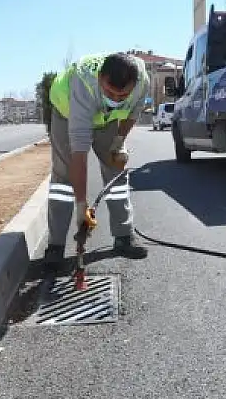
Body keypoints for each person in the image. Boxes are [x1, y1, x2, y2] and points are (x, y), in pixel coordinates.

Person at [45, 52, 151, 269]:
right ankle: (55, 247)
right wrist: (82, 207)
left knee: (116, 172)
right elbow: (79, 155)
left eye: (122, 96)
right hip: (67, 113)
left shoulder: (142, 82)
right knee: (64, 179)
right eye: (110, 93)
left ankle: (124, 236)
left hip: (105, 120)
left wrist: (118, 142)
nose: (115, 100)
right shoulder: (84, 85)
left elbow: (133, 113)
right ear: (100, 78)